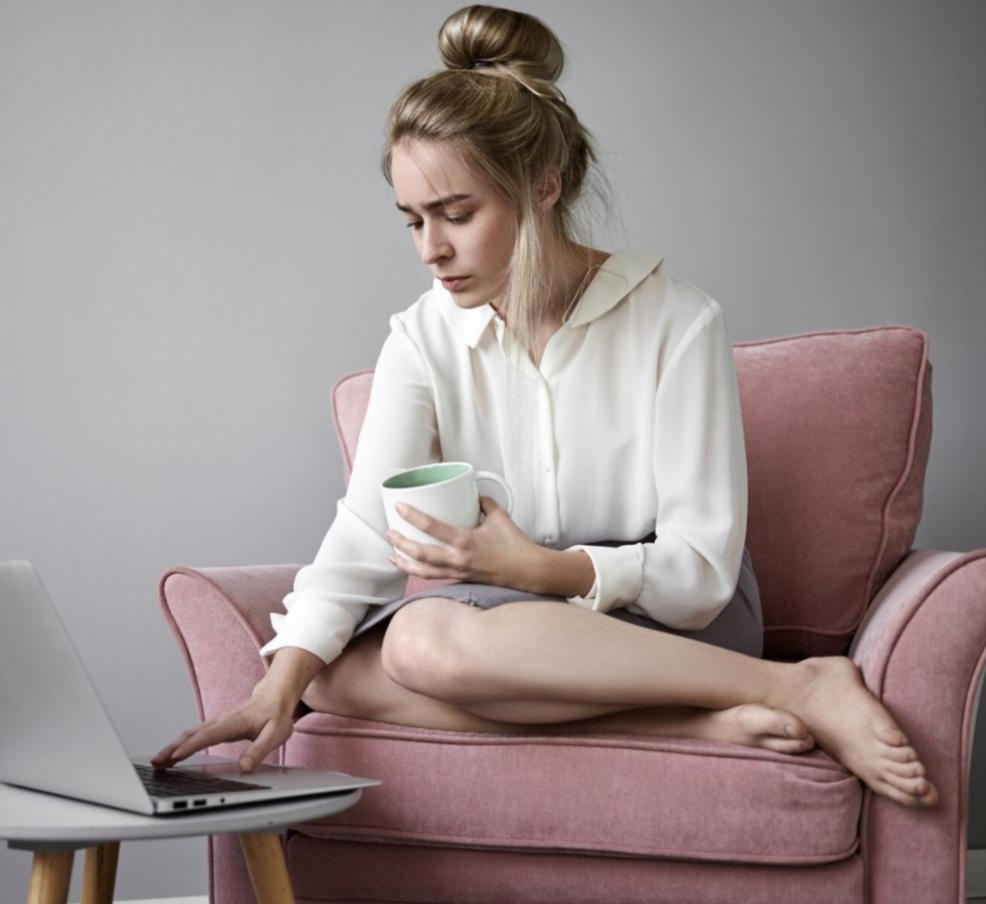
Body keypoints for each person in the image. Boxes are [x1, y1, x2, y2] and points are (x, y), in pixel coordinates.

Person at [153, 4, 937, 809]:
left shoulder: (676, 320)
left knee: (422, 642)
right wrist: (278, 685)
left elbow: (701, 571)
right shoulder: (422, 336)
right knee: (335, 677)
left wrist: (542, 568)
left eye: (457, 214)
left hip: (670, 616)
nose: (431, 249)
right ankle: (690, 724)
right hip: (509, 624)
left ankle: (793, 684)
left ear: (543, 186)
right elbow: (365, 530)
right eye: (413, 221)